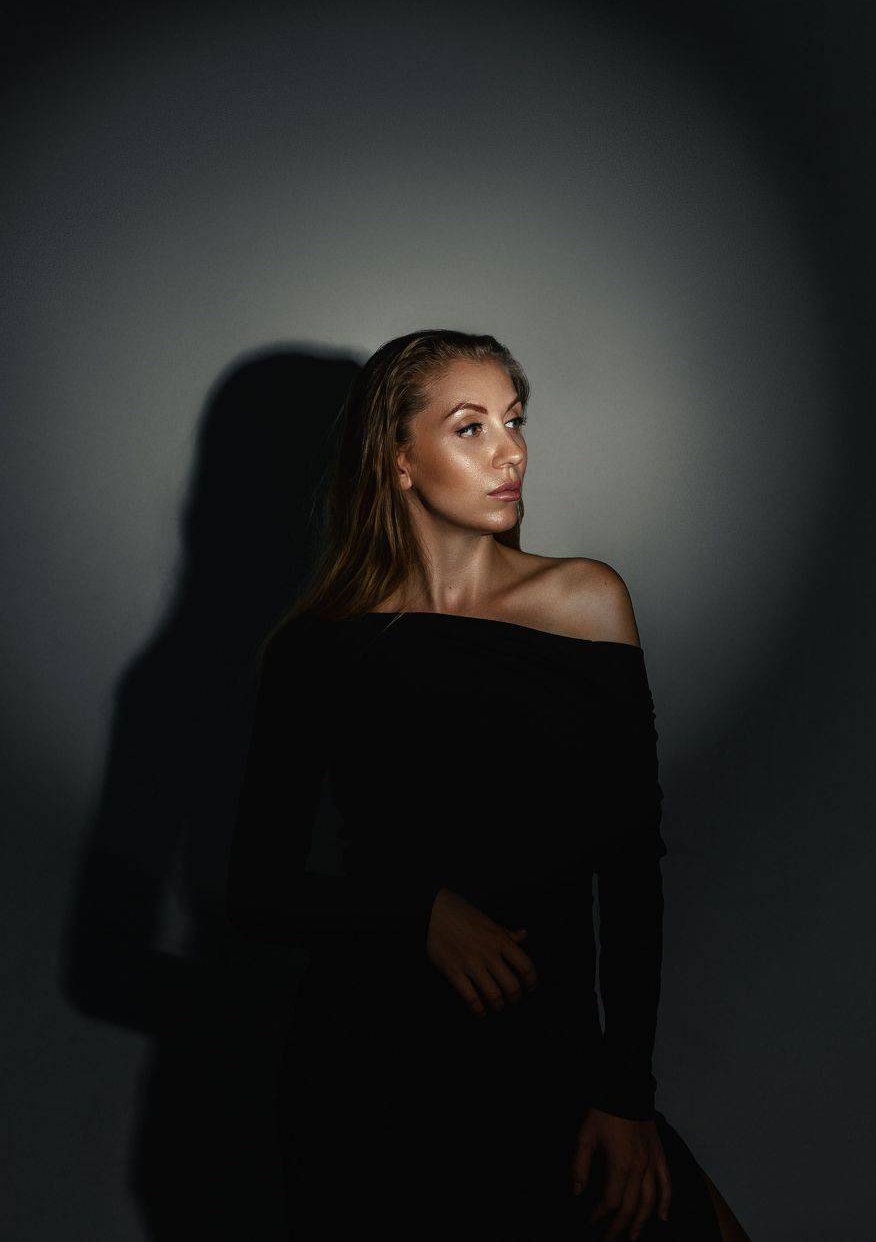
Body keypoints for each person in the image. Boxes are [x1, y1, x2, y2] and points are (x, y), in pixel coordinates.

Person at [226, 328, 751, 1241]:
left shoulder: (583, 603)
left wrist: (624, 1094)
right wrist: (417, 912)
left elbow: (631, 869)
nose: (510, 453)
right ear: (398, 459)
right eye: (470, 428)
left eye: (514, 421)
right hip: (367, 1076)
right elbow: (255, 888)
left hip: (547, 1061)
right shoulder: (318, 649)